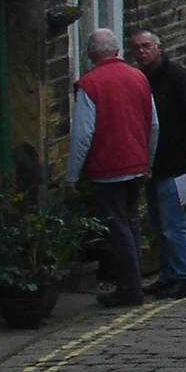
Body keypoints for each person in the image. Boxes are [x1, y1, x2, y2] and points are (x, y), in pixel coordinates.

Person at [65, 27, 158, 308]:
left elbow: (83, 134)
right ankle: (133, 283)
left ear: (91, 54)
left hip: (107, 170)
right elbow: (153, 125)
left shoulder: (90, 85)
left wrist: (71, 176)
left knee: (118, 230)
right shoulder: (139, 78)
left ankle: (129, 289)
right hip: (135, 165)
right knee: (130, 225)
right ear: (117, 51)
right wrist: (147, 162)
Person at [131, 28, 186, 298]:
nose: (141, 52)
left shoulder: (178, 79)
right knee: (159, 225)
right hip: (154, 165)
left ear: (159, 47)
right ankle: (168, 275)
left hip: (177, 164)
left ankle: (182, 277)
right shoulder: (142, 81)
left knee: (172, 224)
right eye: (137, 48)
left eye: (146, 46)